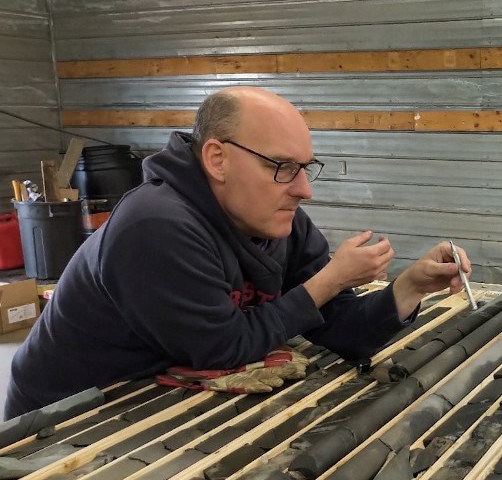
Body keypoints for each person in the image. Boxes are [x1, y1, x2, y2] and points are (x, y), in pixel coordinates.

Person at [5, 86, 472, 419]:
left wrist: (409, 287)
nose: (305, 189)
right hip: (66, 415)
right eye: (284, 167)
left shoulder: (276, 218)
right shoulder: (156, 225)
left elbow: (340, 330)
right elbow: (222, 348)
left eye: (306, 168)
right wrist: (328, 280)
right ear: (217, 159)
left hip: (150, 395)